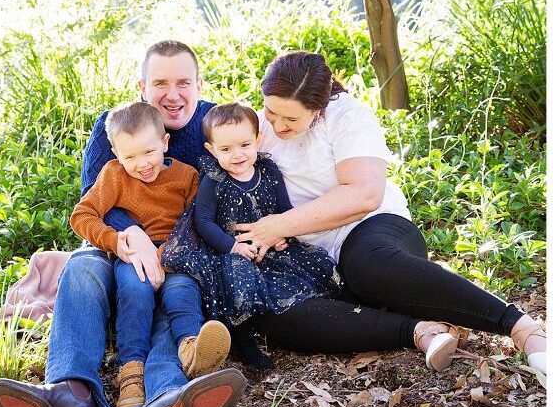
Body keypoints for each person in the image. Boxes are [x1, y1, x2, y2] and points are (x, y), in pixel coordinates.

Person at [0, 41, 246, 407]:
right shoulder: (114, 124)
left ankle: (166, 397)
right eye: (160, 82)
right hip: (118, 246)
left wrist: (169, 250)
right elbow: (94, 195)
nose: (172, 94)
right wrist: (132, 235)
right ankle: (71, 392)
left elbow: (217, 200)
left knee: (170, 293)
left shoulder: (215, 125)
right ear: (141, 86)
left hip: (180, 250)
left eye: (183, 82)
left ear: (199, 84)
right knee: (82, 265)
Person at [230, 51, 546, 376]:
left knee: (367, 266)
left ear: (318, 107)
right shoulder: (256, 126)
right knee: (268, 307)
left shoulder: (346, 117)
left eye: (291, 119)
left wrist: (279, 225)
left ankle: (522, 329)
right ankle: (420, 331)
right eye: (270, 111)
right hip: (311, 261)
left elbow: (364, 194)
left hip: (371, 231)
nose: (277, 125)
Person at [69, 102, 231, 407]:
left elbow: (196, 221)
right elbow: (82, 215)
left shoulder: (187, 177)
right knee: (135, 291)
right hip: (133, 257)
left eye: (148, 152)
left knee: (182, 292)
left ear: (165, 143)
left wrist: (168, 254)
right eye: (129, 156)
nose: (141, 164)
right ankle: (131, 375)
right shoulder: (114, 175)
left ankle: (192, 349)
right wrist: (115, 240)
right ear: (115, 153)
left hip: (177, 256)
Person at [161, 103, 343, 369]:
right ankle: (244, 341)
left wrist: (282, 234)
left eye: (245, 145)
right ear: (212, 150)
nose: (237, 155)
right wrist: (232, 247)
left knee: (310, 266)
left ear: (257, 139)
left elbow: (284, 211)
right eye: (225, 149)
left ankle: (331, 312)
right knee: (237, 278)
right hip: (226, 249)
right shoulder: (214, 178)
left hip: (268, 244)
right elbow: (203, 222)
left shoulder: (268, 172)